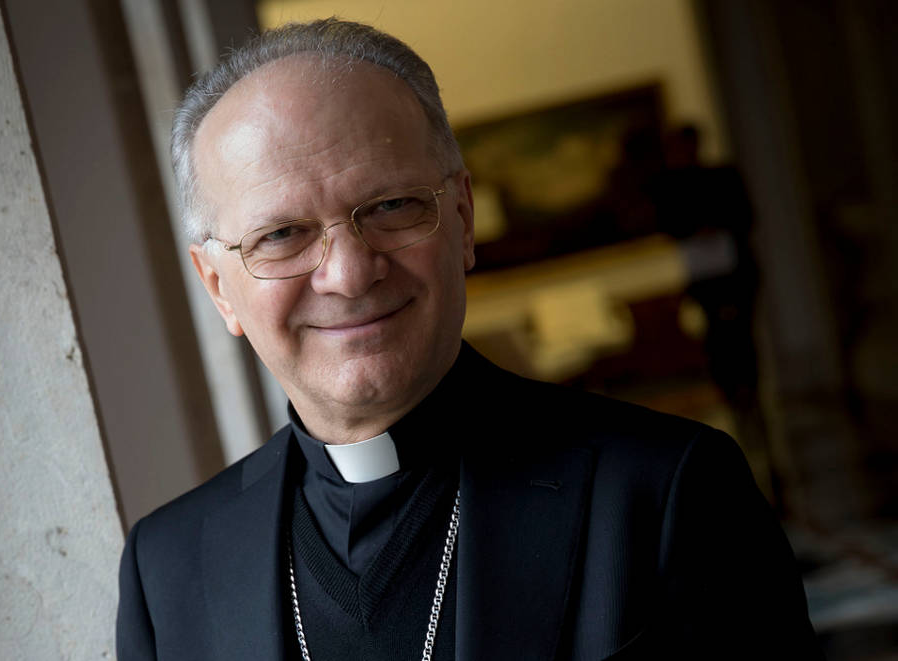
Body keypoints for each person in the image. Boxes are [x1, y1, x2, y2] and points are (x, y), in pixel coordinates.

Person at [117, 18, 822, 660]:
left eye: (391, 206)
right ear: (219, 286)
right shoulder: (166, 569)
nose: (349, 273)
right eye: (280, 235)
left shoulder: (666, 493)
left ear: (463, 218)